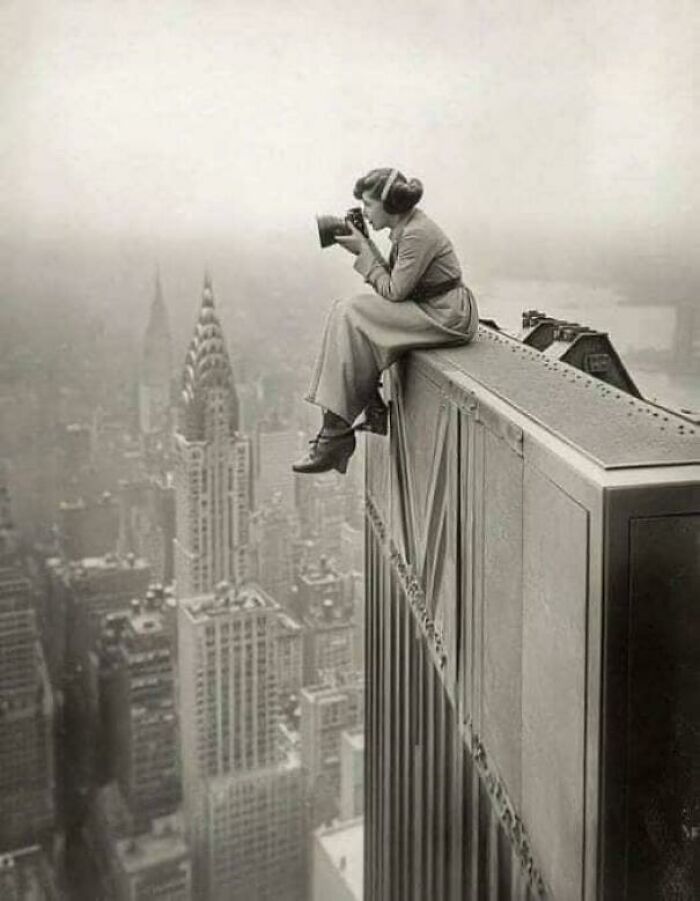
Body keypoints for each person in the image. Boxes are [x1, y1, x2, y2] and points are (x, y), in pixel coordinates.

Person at [293, 167, 479, 475]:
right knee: (344, 310)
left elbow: (394, 291)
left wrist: (363, 250)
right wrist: (365, 248)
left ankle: (335, 436)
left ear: (390, 204)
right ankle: (353, 417)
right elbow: (396, 283)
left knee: (351, 312)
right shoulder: (409, 226)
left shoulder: (417, 233)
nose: (365, 212)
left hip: (445, 315)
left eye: (368, 204)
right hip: (432, 306)